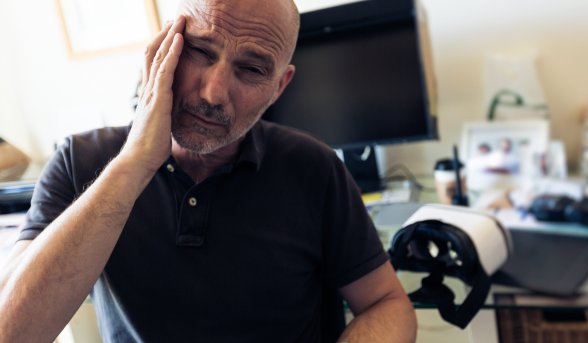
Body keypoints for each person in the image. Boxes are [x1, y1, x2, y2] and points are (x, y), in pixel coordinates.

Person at [0, 0, 417, 342]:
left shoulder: (315, 168)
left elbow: (387, 304)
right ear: (167, 47)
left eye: (251, 70)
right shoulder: (80, 161)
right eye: (200, 51)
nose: (214, 93)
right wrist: (134, 164)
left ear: (279, 87)